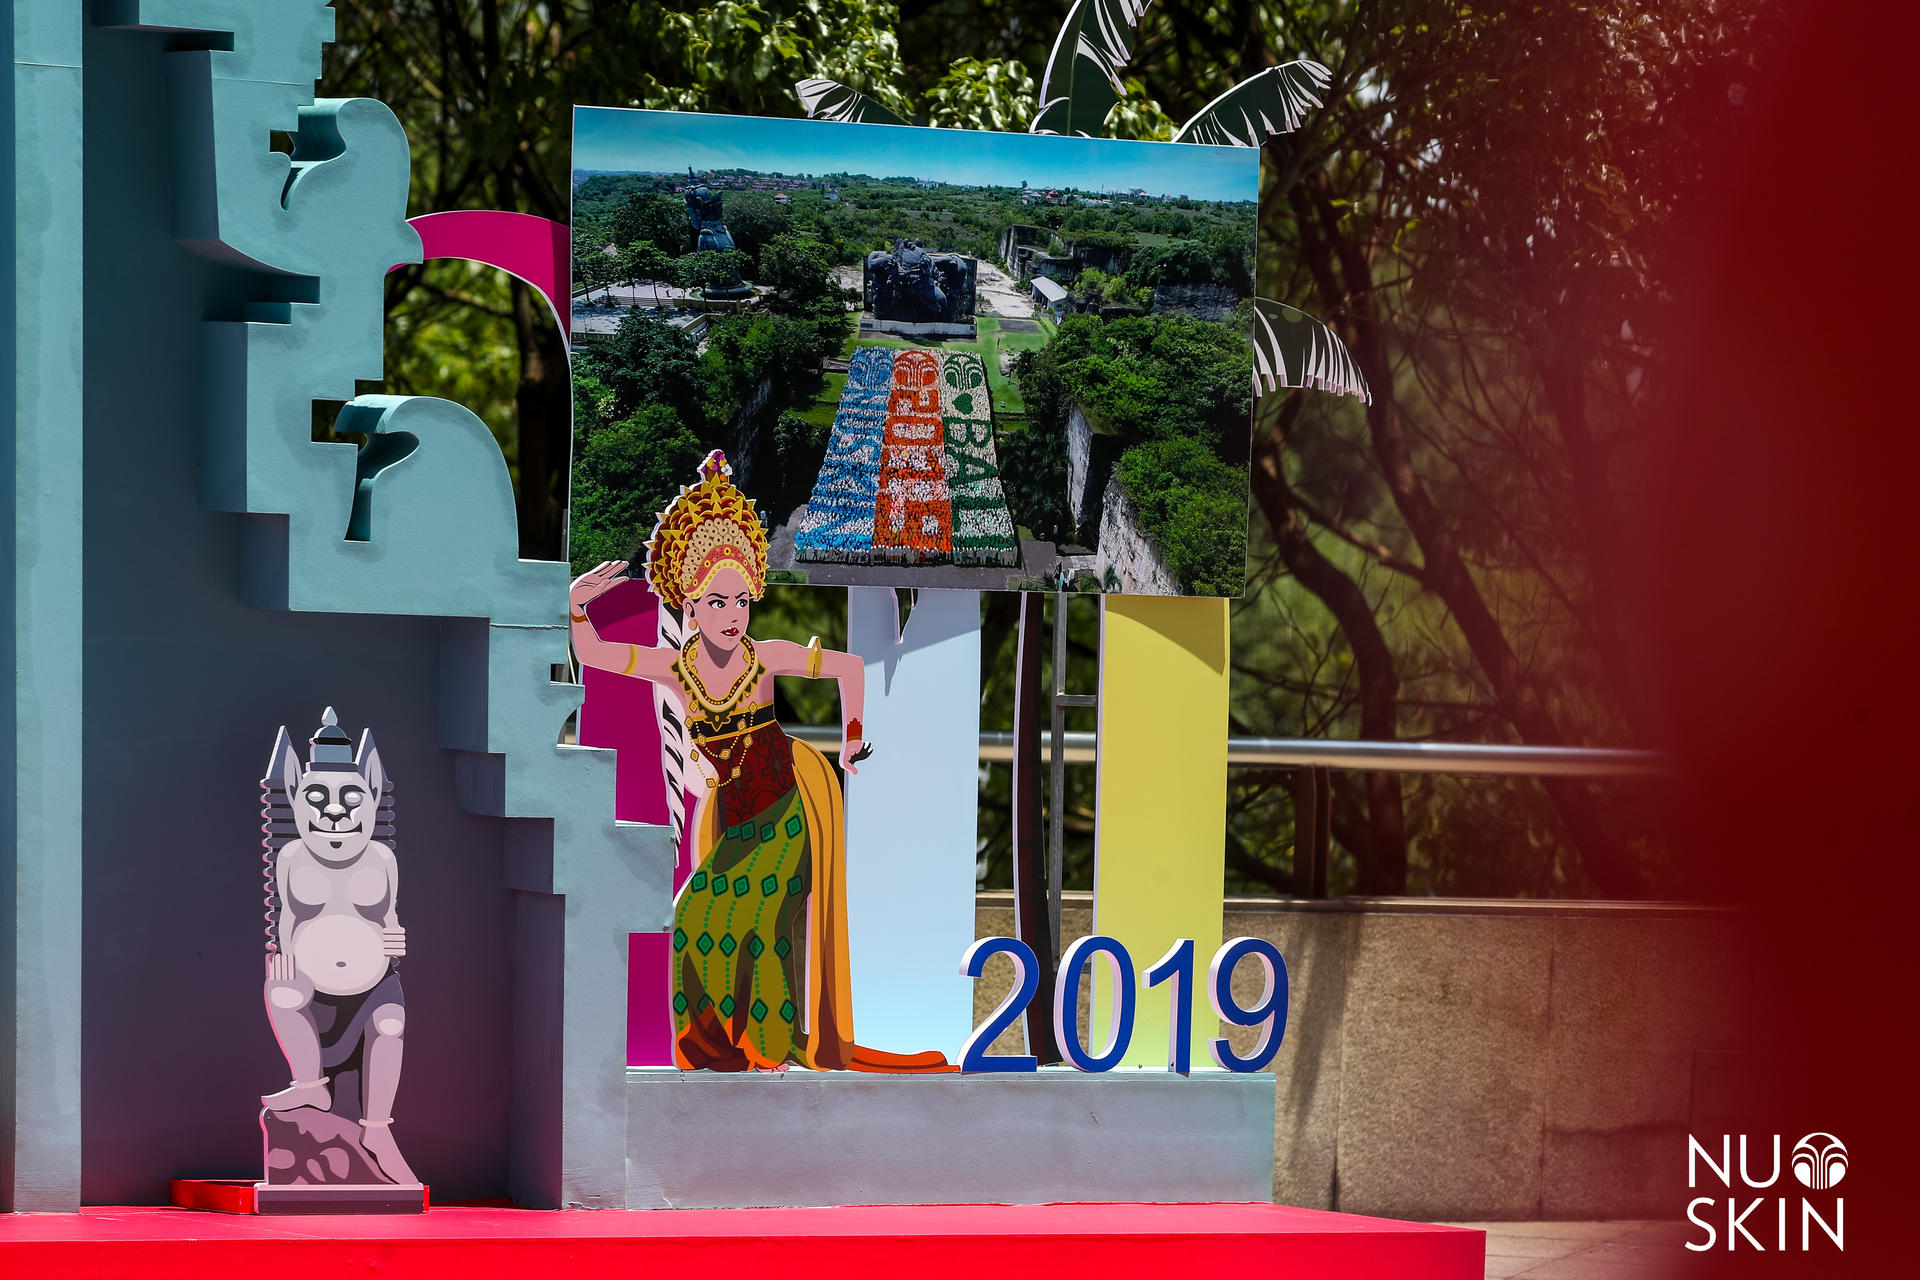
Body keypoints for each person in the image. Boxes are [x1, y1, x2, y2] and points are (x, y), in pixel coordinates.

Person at [569, 450, 949, 1073]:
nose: (732, 615)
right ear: (691, 604)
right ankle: (715, 1051)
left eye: (741, 601)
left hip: (787, 812)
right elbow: (596, 654)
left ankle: (768, 1049)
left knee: (756, 917)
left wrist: (852, 737)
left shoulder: (765, 657)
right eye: (717, 602)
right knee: (695, 916)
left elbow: (850, 668)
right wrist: (578, 607)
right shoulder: (675, 669)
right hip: (735, 821)